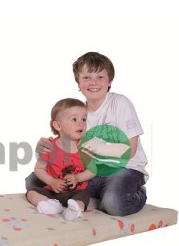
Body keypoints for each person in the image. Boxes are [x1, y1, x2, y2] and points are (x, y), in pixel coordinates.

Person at [26, 52, 148, 216]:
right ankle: (97, 195)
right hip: (91, 171)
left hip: (124, 169)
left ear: (110, 81)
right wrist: (46, 146)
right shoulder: (79, 113)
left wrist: (97, 148)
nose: (93, 82)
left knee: (114, 203)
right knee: (34, 180)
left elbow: (130, 150)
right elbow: (68, 147)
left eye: (100, 77)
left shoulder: (120, 103)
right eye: (86, 77)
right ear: (78, 82)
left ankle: (132, 193)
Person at [26, 98, 96, 221]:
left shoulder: (84, 147)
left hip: (77, 191)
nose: (81, 123)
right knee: (31, 193)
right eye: (74, 119)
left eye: (84, 119)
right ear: (58, 125)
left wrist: (78, 178)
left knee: (83, 197)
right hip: (53, 191)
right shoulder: (49, 147)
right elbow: (39, 169)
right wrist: (51, 181)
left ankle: (74, 210)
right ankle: (50, 205)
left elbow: (93, 170)